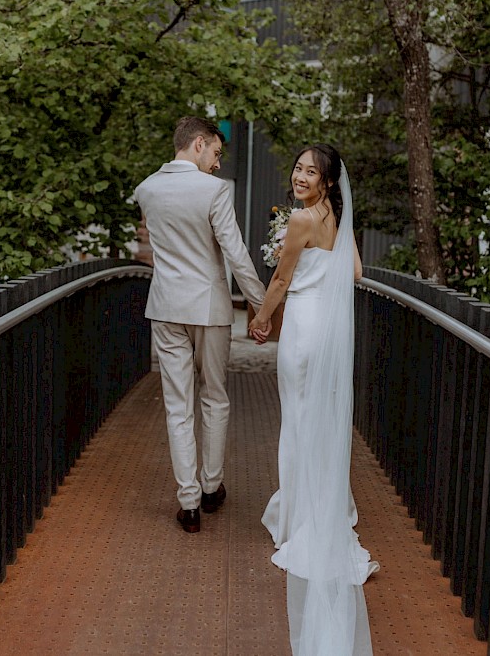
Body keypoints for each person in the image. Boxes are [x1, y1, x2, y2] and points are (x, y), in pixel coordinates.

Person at [249, 144, 378, 655]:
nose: (301, 176)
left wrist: (261, 318)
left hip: (303, 327)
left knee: (298, 421)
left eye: (311, 172)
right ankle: (319, 507)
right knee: (320, 421)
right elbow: (356, 273)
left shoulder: (301, 220)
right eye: (298, 168)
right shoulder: (336, 221)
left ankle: (297, 520)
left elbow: (281, 278)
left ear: (327, 181)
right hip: (330, 328)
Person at [133, 117, 270, 534]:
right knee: (214, 396)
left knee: (178, 406)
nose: (217, 163)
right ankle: (211, 487)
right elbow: (235, 252)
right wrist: (262, 305)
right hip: (209, 307)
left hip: (166, 306)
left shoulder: (146, 189)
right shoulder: (214, 190)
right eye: (215, 152)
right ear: (198, 143)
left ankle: (188, 502)